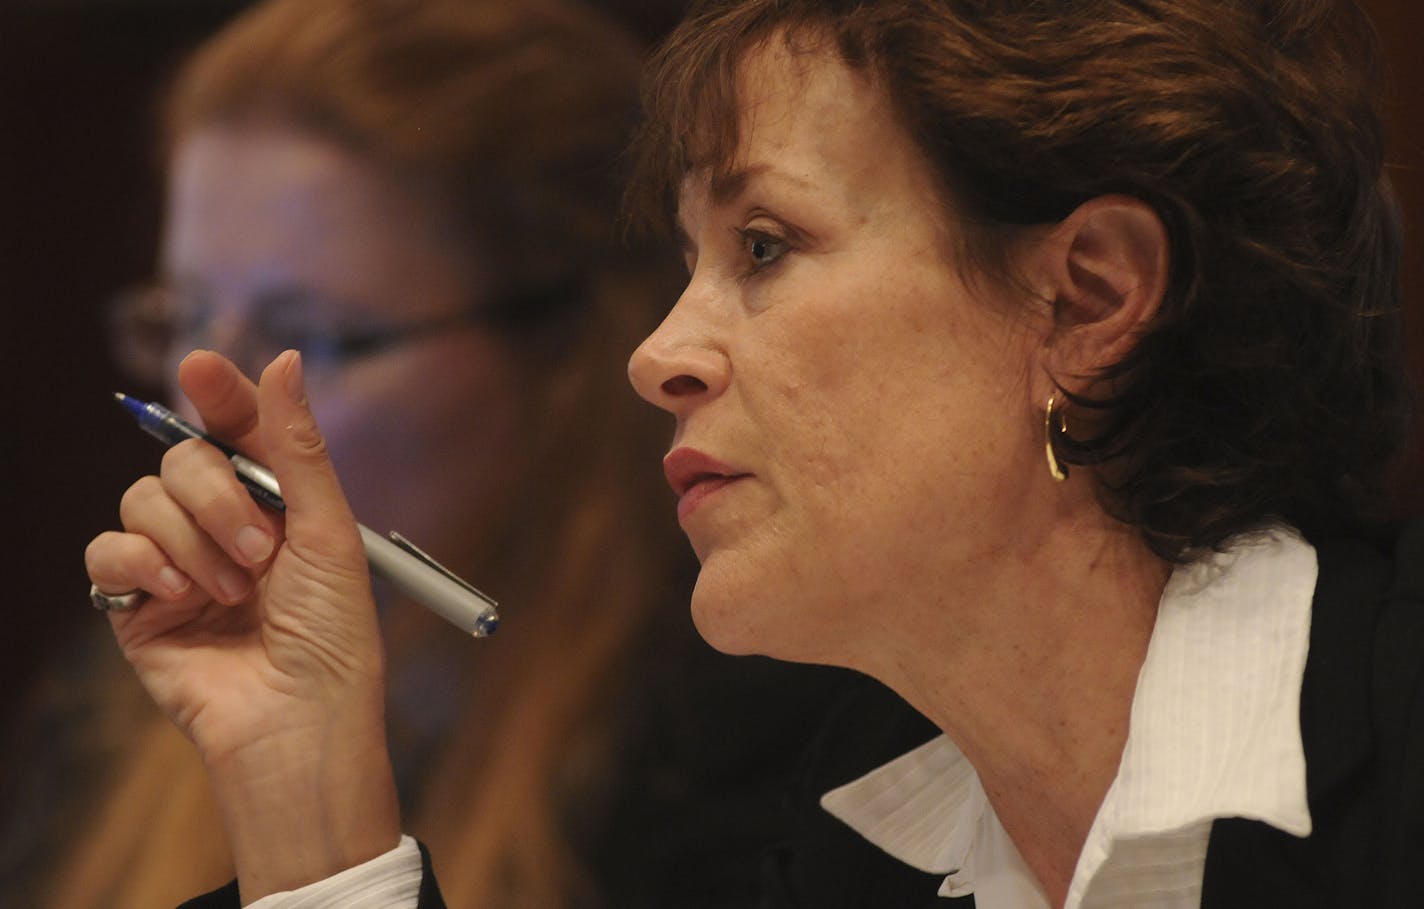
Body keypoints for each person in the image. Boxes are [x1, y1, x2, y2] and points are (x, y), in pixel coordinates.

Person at [82, 0, 1424, 906]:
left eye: (763, 248)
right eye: (686, 263)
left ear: (1085, 297)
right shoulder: (845, 844)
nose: (658, 354)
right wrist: (302, 766)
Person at [3, 0, 857, 906]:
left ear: (562, 363)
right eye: (184, 318)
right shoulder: (133, 685)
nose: (204, 406)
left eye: (313, 340)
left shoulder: (744, 736)